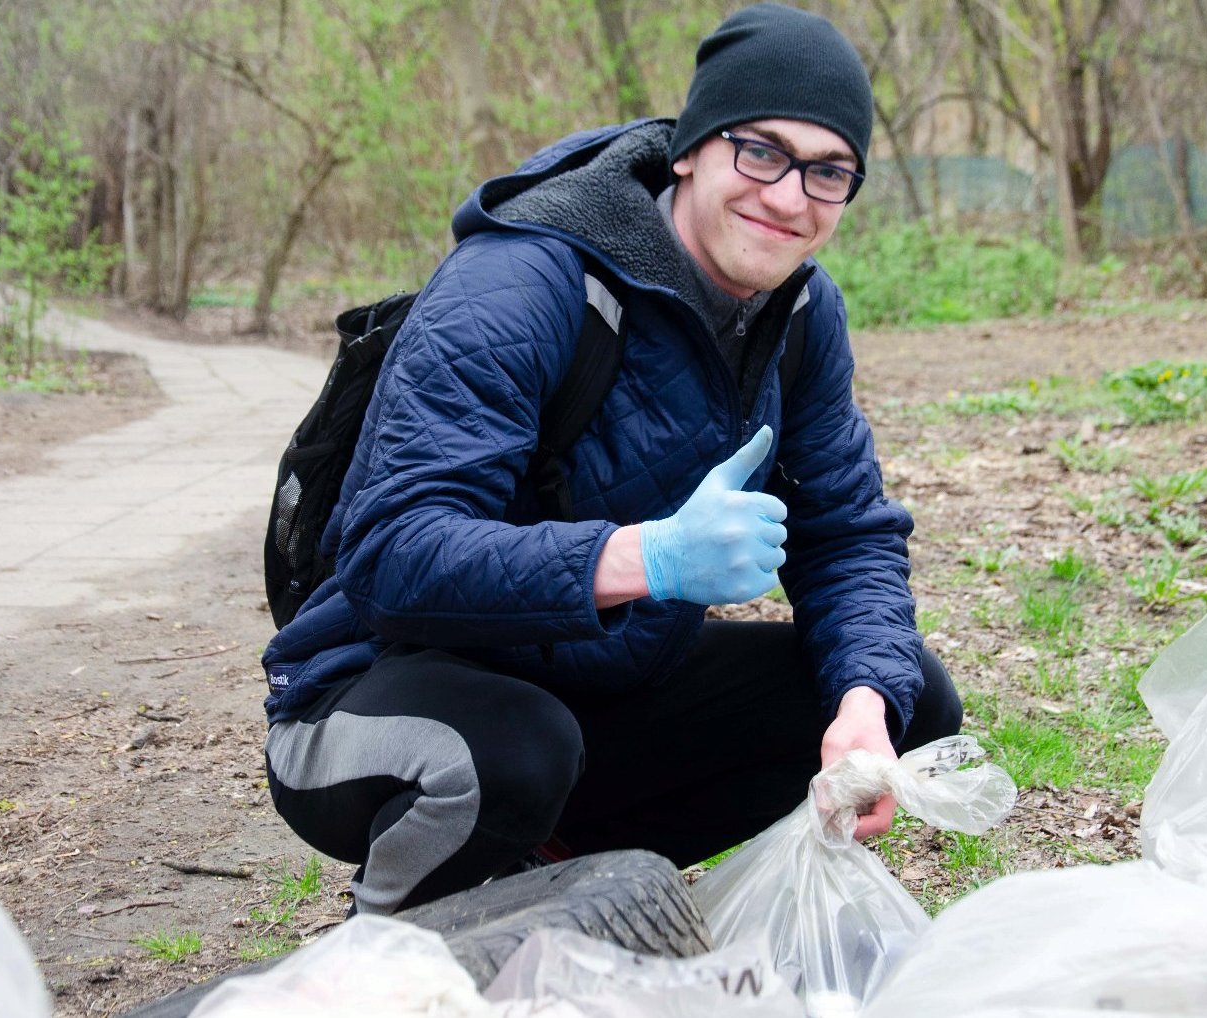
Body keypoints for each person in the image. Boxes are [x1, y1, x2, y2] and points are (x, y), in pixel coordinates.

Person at [258, 2, 962, 916]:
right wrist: (646, 558)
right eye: (761, 152)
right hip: (367, 700)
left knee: (906, 699)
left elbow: (846, 532)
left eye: (829, 172)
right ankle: (381, 952)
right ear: (691, 150)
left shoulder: (798, 314)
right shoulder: (523, 279)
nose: (789, 197)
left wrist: (866, 701)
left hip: (596, 689)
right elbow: (392, 553)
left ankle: (542, 878)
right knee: (513, 750)